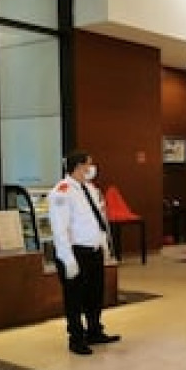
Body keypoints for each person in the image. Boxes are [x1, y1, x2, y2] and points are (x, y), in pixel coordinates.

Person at [49, 150, 121, 355]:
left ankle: (94, 331)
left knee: (95, 294)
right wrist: (67, 258)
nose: (92, 168)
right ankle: (76, 338)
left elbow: (97, 220)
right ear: (79, 166)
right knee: (74, 298)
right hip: (75, 252)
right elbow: (60, 229)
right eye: (89, 164)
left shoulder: (90, 189)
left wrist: (104, 246)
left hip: (93, 250)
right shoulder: (62, 191)